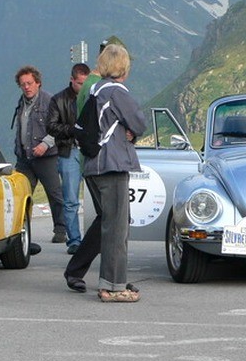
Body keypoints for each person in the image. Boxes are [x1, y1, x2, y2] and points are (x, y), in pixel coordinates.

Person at [64, 43, 147, 302]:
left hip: (92, 164)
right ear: (123, 66)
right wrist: (129, 132)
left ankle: (103, 278)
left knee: (109, 223)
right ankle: (113, 286)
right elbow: (139, 122)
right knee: (117, 228)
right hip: (112, 164)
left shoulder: (94, 88)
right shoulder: (116, 91)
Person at [11, 65, 66, 244]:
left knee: (54, 193)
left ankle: (61, 230)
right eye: (23, 84)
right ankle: (18, 232)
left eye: (29, 83)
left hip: (46, 157)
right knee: (21, 195)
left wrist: (45, 144)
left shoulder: (49, 101)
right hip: (24, 158)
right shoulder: (21, 102)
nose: (26, 87)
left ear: (38, 83)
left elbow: (59, 126)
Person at [48, 63, 90, 254]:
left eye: (85, 83)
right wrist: (73, 130)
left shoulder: (92, 96)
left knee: (98, 199)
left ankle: (96, 240)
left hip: (89, 151)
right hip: (69, 151)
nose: (83, 87)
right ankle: (74, 241)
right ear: (72, 80)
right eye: (80, 83)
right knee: (71, 200)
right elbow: (51, 126)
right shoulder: (58, 99)